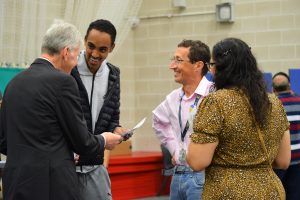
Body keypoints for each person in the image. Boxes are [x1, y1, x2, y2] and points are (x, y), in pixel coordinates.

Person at [0, 21, 122, 200]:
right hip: (51, 186)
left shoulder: (13, 84)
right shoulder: (63, 82)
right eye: (75, 56)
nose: (75, 65)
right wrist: (104, 140)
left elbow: (3, 142)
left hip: (15, 184)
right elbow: (82, 142)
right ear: (66, 52)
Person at [186, 38, 291, 199]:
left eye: (212, 65)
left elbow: (197, 162)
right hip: (270, 191)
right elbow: (283, 161)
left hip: (228, 192)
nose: (210, 70)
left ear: (220, 68)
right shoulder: (274, 103)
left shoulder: (216, 102)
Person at [71, 19, 126, 200]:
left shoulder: (113, 74)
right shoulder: (69, 69)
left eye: (102, 50)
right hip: (67, 167)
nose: (94, 54)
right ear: (85, 40)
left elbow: (112, 118)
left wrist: (117, 130)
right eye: (90, 46)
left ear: (111, 48)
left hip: (95, 166)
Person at [152, 39, 214, 200]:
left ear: (198, 65)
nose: (172, 66)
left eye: (178, 60)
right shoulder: (173, 98)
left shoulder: (214, 95)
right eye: (173, 60)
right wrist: (174, 149)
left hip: (205, 177)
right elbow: (158, 122)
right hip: (178, 175)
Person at [272, 72, 300, 200]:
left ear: (273, 89)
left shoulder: (271, 105)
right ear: (289, 86)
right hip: (298, 159)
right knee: (295, 194)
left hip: (278, 160)